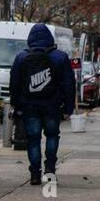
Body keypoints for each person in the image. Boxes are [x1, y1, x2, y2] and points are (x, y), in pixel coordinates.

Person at [10, 23, 76, 185]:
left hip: (29, 106)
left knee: (33, 139)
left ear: (30, 38)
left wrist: (16, 105)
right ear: (49, 38)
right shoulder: (60, 57)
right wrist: (68, 108)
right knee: (52, 135)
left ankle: (34, 173)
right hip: (52, 105)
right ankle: (50, 168)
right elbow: (69, 84)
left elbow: (15, 84)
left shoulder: (21, 57)